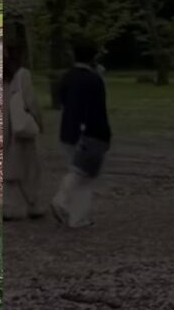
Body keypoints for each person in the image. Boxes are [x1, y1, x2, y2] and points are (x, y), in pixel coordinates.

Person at [51, 40, 111, 229]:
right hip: (91, 132)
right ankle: (62, 201)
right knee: (83, 173)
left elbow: (62, 102)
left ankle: (77, 216)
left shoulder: (67, 77)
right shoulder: (94, 80)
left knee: (82, 174)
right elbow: (97, 109)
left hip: (68, 131)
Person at [5, 22, 44, 220]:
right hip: (19, 126)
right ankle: (33, 204)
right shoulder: (22, 75)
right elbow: (31, 102)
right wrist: (39, 121)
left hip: (6, 126)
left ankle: (9, 207)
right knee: (29, 167)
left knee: (8, 166)